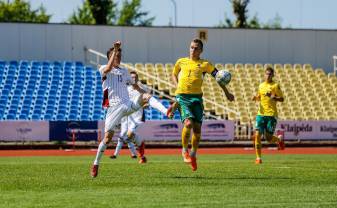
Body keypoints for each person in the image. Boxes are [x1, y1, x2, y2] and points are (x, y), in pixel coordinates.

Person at [90, 40, 160, 177]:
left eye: (120, 56)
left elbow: (134, 86)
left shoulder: (124, 71)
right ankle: (96, 163)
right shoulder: (103, 68)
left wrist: (144, 93)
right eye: (116, 55)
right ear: (110, 57)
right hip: (113, 109)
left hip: (126, 105)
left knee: (128, 132)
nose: (119, 58)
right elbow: (108, 69)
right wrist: (115, 50)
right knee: (107, 139)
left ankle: (139, 147)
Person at [168, 38, 235, 171]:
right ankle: (184, 151)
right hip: (183, 97)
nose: (193, 50)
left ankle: (193, 154)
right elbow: (174, 73)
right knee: (188, 124)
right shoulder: (181, 62)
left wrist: (227, 92)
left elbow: (219, 77)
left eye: (196, 48)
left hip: (197, 99)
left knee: (197, 130)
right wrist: (177, 88)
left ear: (201, 50)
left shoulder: (205, 64)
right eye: (191, 47)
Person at [110, 71, 169, 162]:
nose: (133, 79)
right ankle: (141, 152)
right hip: (127, 116)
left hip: (137, 115)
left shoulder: (142, 88)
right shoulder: (126, 88)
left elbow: (147, 100)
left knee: (129, 135)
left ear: (137, 78)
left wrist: (144, 105)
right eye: (132, 77)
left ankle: (138, 146)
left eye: (135, 77)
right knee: (126, 137)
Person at [252, 66, 285, 165]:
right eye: (266, 74)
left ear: (273, 75)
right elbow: (259, 97)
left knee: (268, 139)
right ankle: (258, 158)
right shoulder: (261, 85)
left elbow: (282, 99)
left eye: (270, 74)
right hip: (261, 114)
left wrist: (273, 97)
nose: (268, 76)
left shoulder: (275, 85)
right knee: (257, 135)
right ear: (264, 74)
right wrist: (256, 98)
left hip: (271, 115)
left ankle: (279, 139)